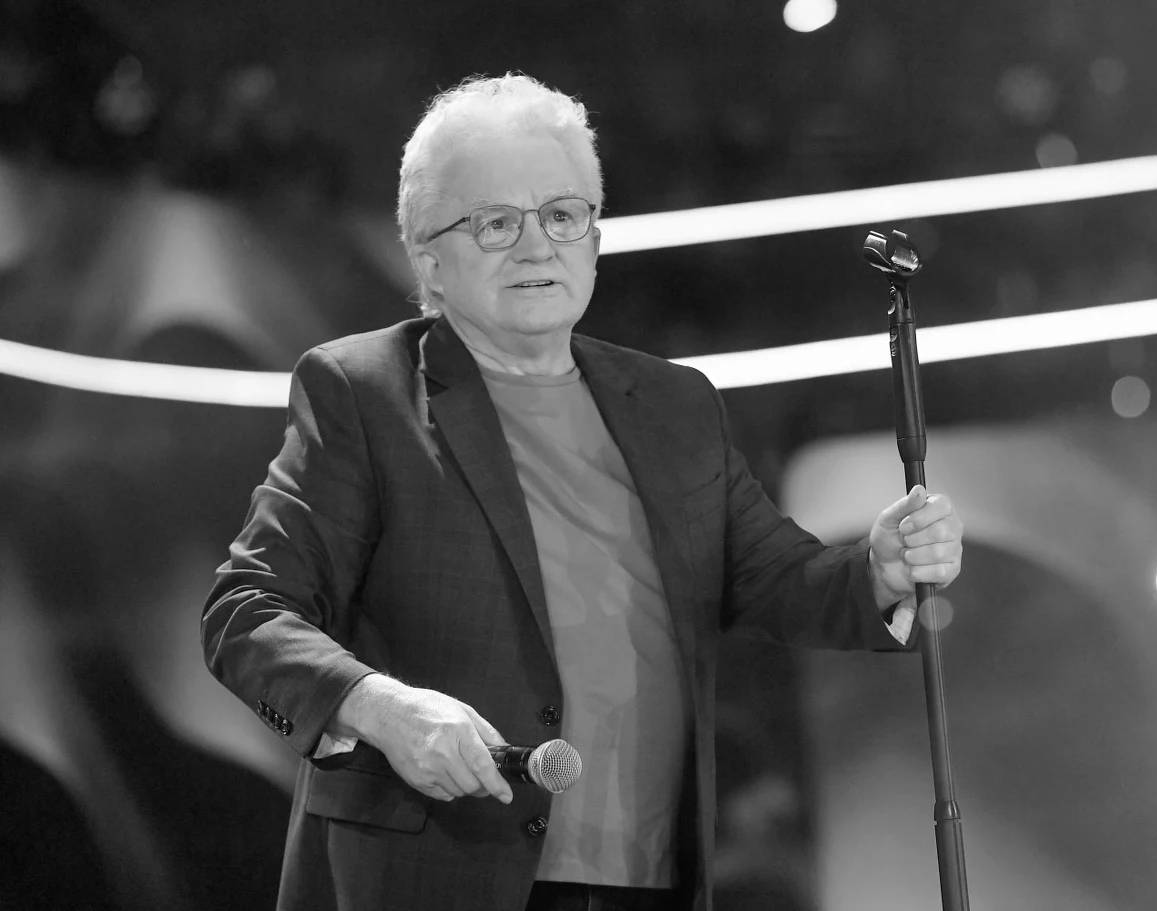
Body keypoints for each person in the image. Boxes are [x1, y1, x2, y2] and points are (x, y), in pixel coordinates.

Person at [202, 73, 964, 911]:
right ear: (427, 257)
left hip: (649, 879)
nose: (538, 247)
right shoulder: (363, 392)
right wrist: (378, 707)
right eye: (496, 222)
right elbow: (246, 611)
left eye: (564, 214)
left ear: (594, 240)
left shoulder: (674, 404)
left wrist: (879, 572)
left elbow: (775, 575)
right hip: (438, 876)